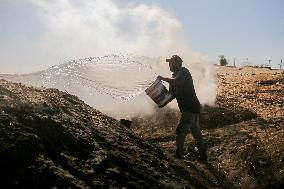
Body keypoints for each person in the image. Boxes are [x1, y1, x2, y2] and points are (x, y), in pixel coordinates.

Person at [157, 55, 207, 161]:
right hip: (190, 107)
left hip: (190, 107)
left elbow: (179, 82)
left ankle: (178, 155)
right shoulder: (174, 76)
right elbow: (172, 95)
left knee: (181, 131)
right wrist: (161, 102)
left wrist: (163, 78)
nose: (169, 64)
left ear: (177, 63)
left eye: (171, 62)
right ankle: (203, 156)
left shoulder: (183, 71)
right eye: (169, 62)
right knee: (196, 132)